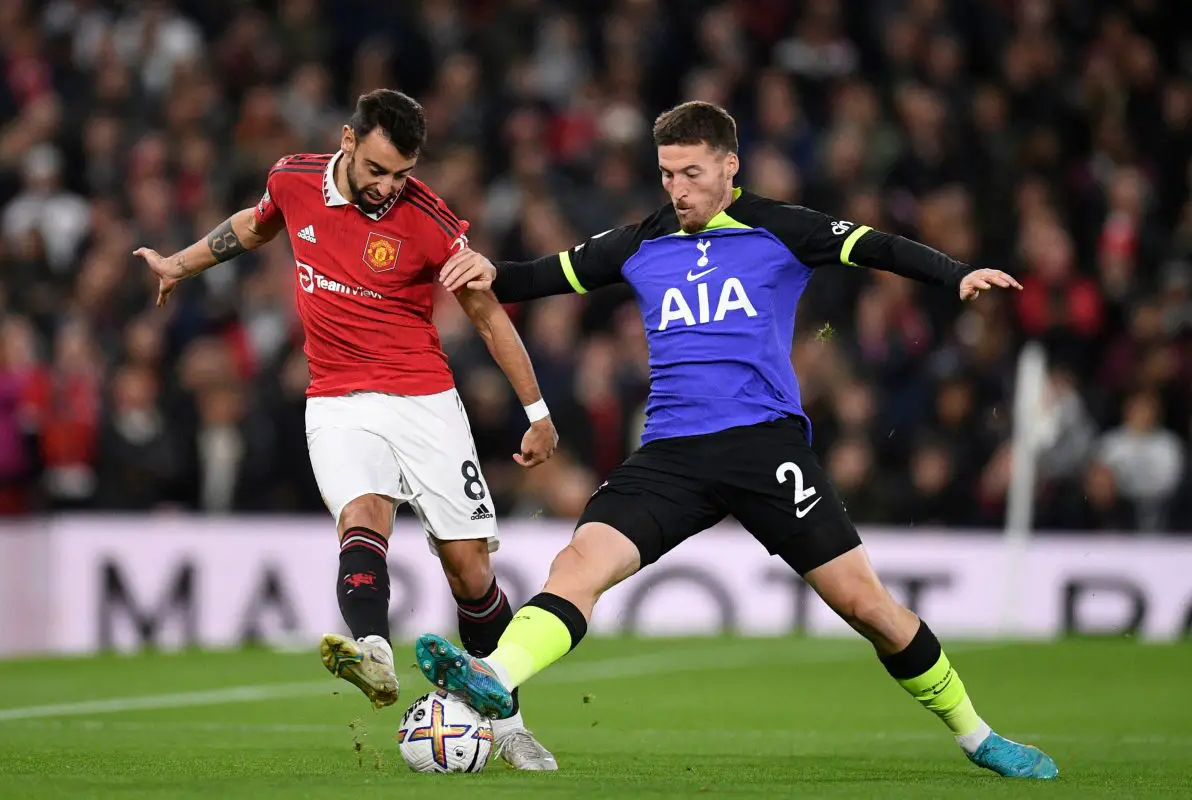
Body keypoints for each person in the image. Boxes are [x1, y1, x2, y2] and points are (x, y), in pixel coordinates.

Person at [415, 101, 1058, 780]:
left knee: (869, 608)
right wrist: (482, 269)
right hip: (672, 453)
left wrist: (955, 272)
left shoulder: (779, 228)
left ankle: (979, 737)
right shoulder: (641, 241)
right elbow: (538, 276)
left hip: (765, 450)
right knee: (578, 564)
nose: (677, 189)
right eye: (666, 174)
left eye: (691, 173)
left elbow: (878, 246)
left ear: (730, 167)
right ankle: (492, 674)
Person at [134, 89, 559, 771]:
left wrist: (538, 412)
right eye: (378, 170)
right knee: (362, 515)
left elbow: (485, 313)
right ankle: (374, 652)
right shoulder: (293, 179)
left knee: (469, 569)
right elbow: (253, 226)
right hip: (336, 397)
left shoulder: (427, 219)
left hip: (423, 398)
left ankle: (507, 722)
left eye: (403, 174)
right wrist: (178, 266)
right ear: (348, 141)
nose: (389, 187)